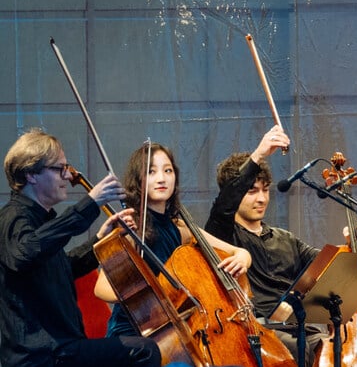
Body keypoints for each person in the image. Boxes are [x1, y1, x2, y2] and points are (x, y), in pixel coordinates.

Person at [0, 128, 160, 367]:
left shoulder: (40, 221)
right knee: (143, 352)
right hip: (42, 355)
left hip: (59, 350)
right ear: (31, 175)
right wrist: (90, 203)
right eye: (59, 169)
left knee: (140, 352)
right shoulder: (13, 218)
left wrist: (102, 240)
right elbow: (26, 252)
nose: (67, 176)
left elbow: (64, 268)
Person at [92, 143, 251, 340]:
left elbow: (237, 252)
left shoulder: (180, 227)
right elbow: (102, 289)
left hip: (172, 330)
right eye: (151, 172)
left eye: (168, 171)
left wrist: (243, 257)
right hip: (135, 333)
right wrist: (151, 292)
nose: (162, 178)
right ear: (138, 181)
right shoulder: (131, 228)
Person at [203, 127, 320, 360]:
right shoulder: (222, 235)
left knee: (328, 347)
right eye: (252, 191)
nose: (262, 199)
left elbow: (323, 264)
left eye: (265, 190)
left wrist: (353, 242)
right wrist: (258, 156)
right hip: (253, 332)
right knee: (297, 348)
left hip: (295, 328)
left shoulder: (285, 239)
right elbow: (224, 205)